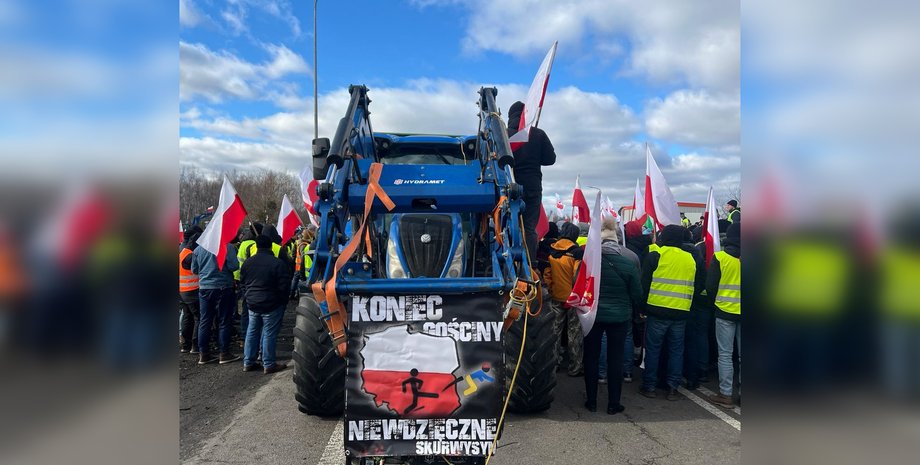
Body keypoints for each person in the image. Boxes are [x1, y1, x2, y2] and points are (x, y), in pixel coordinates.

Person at [583, 218, 642, 414]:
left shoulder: (590, 263)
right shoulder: (628, 263)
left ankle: (591, 401)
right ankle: (613, 404)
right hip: (619, 318)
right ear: (616, 240)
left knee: (591, 357)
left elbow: (579, 286)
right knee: (615, 360)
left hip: (593, 317)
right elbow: (637, 294)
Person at [639, 225, 699, 400]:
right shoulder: (690, 258)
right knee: (676, 350)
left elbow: (644, 284)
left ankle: (649, 386)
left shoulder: (655, 255)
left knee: (653, 349)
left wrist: (641, 308)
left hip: (657, 310)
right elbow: (697, 282)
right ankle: (673, 387)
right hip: (681, 311)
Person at [507, 100, 557, 262]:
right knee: (529, 227)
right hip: (532, 186)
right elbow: (550, 159)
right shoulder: (537, 133)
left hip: (509, 185)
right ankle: (529, 264)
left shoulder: (502, 134)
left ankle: (507, 258)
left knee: (506, 223)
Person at [240, 232, 292, 374]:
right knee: (269, 333)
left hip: (252, 303)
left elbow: (242, 282)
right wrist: (282, 301)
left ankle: (248, 362)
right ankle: (268, 363)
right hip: (272, 304)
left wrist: (247, 296)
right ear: (270, 247)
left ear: (256, 246)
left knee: (252, 332)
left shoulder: (247, 262)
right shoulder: (277, 263)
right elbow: (284, 285)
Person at [707, 223, 740, 408]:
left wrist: (716, 303)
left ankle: (725, 394)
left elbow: (711, 286)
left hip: (724, 310)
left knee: (725, 355)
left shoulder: (720, 257)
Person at [191, 238, 240, 365]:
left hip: (205, 288)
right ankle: (224, 353)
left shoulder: (198, 249)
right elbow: (234, 266)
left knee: (205, 321)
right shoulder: (226, 247)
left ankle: (204, 354)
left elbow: (194, 269)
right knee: (224, 320)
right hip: (223, 287)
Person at [545, 222, 584, 376]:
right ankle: (575, 367)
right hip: (573, 299)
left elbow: (547, 274)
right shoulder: (576, 252)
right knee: (574, 333)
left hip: (556, 297)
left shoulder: (552, 250)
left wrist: (552, 290)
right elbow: (577, 276)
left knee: (554, 332)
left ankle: (553, 365)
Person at [179, 226, 203, 353]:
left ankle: (185, 344)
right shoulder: (190, 255)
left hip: (182, 291)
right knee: (199, 317)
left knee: (188, 317)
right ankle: (195, 345)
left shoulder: (182, 252)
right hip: (192, 290)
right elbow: (197, 270)